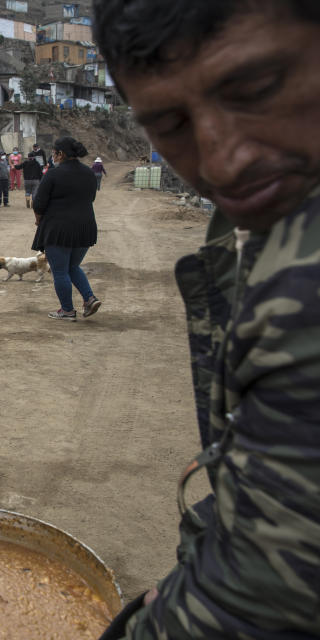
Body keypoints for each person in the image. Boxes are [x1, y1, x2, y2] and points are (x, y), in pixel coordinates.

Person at [93, 1, 320, 637]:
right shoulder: (272, 214)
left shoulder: (305, 289)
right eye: (170, 124)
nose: (222, 162)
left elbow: (252, 605)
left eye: (255, 91)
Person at [30, 137, 100, 321]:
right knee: (72, 266)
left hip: (58, 228)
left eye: (54, 152)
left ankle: (67, 310)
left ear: (60, 154)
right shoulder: (89, 173)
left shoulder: (53, 174)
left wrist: (39, 223)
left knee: (60, 271)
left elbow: (38, 204)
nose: (52, 155)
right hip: (85, 227)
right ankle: (89, 299)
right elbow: (91, 198)